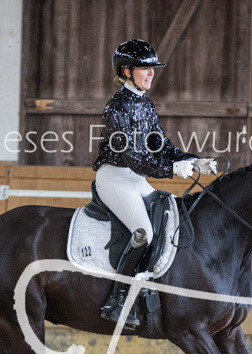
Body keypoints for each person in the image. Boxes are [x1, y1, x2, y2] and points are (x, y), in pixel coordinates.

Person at [92, 38, 216, 329]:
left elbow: (161, 146)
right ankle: (118, 300)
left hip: (135, 179)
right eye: (144, 69)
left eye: (152, 69)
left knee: (169, 222)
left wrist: (194, 160)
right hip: (114, 178)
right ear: (126, 71)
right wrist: (174, 168)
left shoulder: (144, 105)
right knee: (144, 233)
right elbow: (135, 158)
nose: (151, 74)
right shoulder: (117, 108)